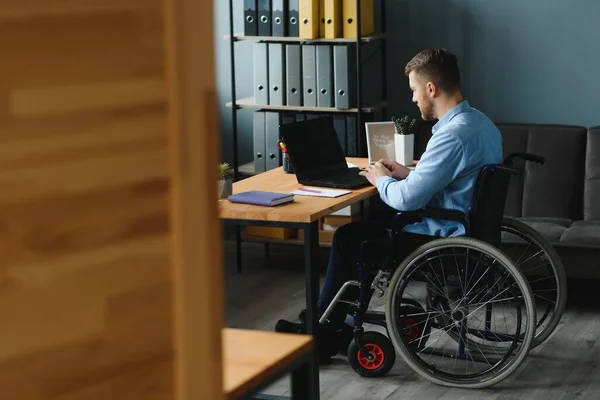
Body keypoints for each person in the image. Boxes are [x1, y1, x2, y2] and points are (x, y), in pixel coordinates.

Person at [275, 48, 503, 363]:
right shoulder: (480, 123)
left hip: (445, 235)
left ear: (431, 89)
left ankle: (320, 332)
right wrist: (407, 173)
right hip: (466, 225)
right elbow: (456, 179)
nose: (413, 99)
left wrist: (381, 178)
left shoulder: (452, 135)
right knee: (375, 221)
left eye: (414, 90)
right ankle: (330, 324)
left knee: (349, 238)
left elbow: (408, 199)